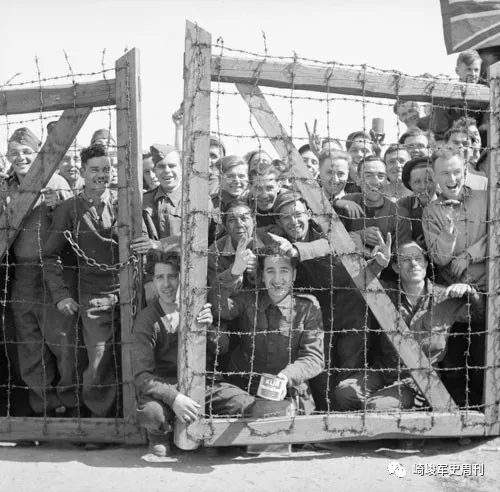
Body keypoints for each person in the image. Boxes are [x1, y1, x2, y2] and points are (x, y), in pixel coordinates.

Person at [269, 191, 391, 410]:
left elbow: (333, 246)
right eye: (285, 217)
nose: (293, 221)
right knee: (321, 374)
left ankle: (347, 417)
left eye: (297, 214)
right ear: (278, 222)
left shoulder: (326, 227)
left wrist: (297, 250)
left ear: (308, 213)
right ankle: (325, 417)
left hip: (352, 309)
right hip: (316, 316)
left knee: (350, 370)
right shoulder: (278, 241)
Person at [332, 241, 485, 411]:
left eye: (418, 258)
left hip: (420, 380)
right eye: (405, 259)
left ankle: (403, 412)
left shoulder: (445, 297)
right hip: (386, 371)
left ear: (426, 264)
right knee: (344, 393)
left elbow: (479, 315)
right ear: (396, 268)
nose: (413, 264)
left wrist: (471, 292)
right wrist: (378, 264)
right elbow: (356, 289)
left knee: (376, 406)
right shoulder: (387, 293)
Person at [1, 127, 79, 418]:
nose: (20, 157)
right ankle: (42, 406)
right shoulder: (4, 186)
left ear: (38, 154)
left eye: (26, 152)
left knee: (63, 341)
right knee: (30, 344)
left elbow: (75, 227)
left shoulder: (55, 181)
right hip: (21, 272)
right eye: (14, 153)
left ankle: (71, 404)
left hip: (53, 273)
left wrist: (57, 207)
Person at [43, 143, 122, 428]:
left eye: (106, 169)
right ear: (83, 172)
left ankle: (131, 416)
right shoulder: (69, 209)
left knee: (131, 354)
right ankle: (99, 423)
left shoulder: (126, 203)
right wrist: (61, 295)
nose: (101, 175)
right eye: (95, 170)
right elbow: (50, 255)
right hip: (93, 294)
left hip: (130, 291)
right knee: (98, 358)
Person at [210, 244, 325, 419]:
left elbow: (314, 357)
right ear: (262, 276)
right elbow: (219, 307)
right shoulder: (249, 299)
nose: (277, 279)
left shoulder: (307, 307)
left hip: (288, 390)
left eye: (284, 271)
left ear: (294, 275)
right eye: (270, 271)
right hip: (245, 389)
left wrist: (285, 377)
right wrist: (234, 272)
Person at [422, 149, 488, 291]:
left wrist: (469, 255)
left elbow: (496, 235)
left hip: (493, 280)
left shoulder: (486, 199)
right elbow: (439, 259)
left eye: (456, 172)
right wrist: (447, 230)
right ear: (434, 176)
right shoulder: (431, 211)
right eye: (445, 173)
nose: (452, 179)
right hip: (457, 289)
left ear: (464, 171)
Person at [340, 156, 412, 259]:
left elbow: (401, 260)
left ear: (386, 181)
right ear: (358, 180)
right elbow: (331, 239)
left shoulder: (400, 215)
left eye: (381, 176)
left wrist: (365, 250)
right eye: (368, 175)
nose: (375, 181)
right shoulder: (347, 203)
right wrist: (359, 234)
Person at [131, 144, 183, 256]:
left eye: (172, 166)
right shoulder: (143, 201)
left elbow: (199, 236)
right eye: (161, 166)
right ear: (155, 170)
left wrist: (159, 245)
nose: (167, 170)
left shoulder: (196, 200)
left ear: (182, 169)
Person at [398, 157, 438, 246]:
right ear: (410, 184)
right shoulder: (403, 205)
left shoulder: (448, 203)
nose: (423, 186)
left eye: (429, 180)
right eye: (417, 182)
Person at [445, 124, 488, 190]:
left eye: (465, 144)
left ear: (472, 150)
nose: (461, 147)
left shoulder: (482, 182)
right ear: (446, 147)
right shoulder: (436, 178)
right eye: (455, 143)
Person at [248, 160, 283, 228]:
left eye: (269, 188)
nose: (264, 195)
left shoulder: (291, 207)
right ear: (250, 188)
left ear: (279, 186)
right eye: (258, 188)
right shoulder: (244, 207)